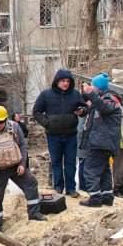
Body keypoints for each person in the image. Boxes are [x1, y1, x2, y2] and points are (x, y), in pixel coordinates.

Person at [0, 105, 47, 230]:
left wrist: (22, 164)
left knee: (31, 183)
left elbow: (23, 145)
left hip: (14, 166)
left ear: (6, 120)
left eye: (0, 122)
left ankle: (34, 213)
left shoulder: (14, 127)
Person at [32, 68, 86, 197]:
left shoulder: (75, 94)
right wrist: (47, 123)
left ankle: (71, 188)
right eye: (62, 81)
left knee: (70, 162)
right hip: (53, 135)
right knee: (56, 162)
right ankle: (58, 187)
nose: (65, 83)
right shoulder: (46, 95)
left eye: (67, 81)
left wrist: (82, 111)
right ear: (57, 81)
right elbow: (36, 112)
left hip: (71, 134)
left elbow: (85, 108)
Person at [78, 74, 123, 207]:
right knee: (104, 170)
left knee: (90, 169)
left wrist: (90, 93)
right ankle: (107, 196)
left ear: (98, 87)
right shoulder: (102, 99)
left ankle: (95, 198)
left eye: (93, 85)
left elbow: (104, 108)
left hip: (101, 142)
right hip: (103, 142)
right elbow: (94, 110)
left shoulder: (110, 99)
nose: (91, 87)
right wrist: (82, 109)